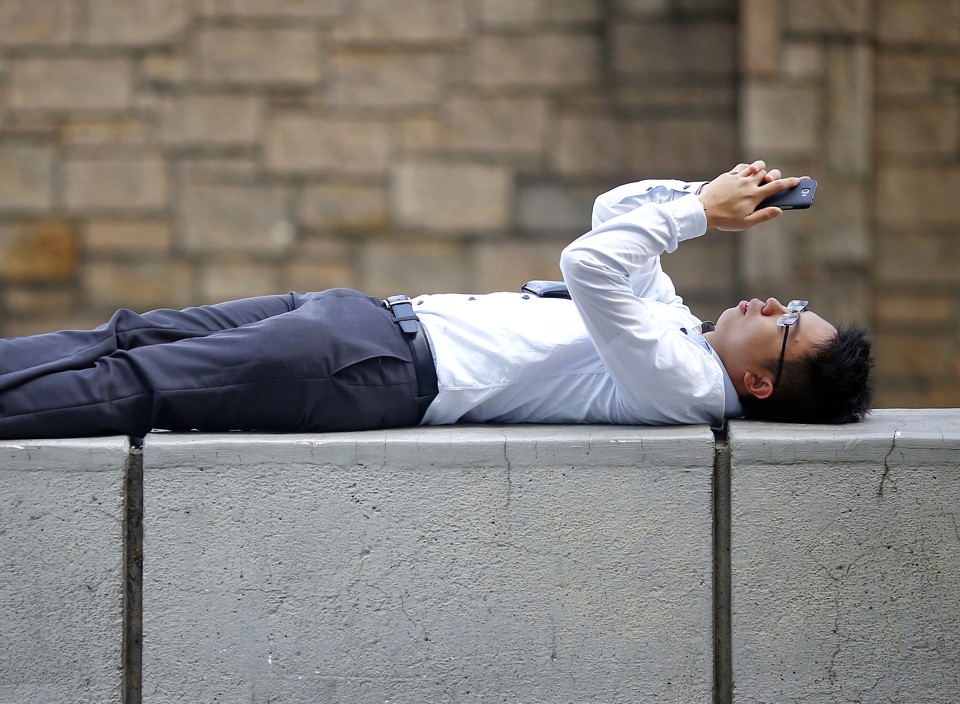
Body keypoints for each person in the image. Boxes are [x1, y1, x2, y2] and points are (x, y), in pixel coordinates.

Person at [0, 160, 873, 440]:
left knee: (142, 383)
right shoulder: (679, 329)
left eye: (789, 324)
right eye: (791, 300)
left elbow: (592, 263)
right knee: (130, 334)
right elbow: (617, 219)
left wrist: (694, 217)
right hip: (367, 319)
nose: (772, 302)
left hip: (375, 368)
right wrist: (714, 192)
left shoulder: (684, 385)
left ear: (762, 385)